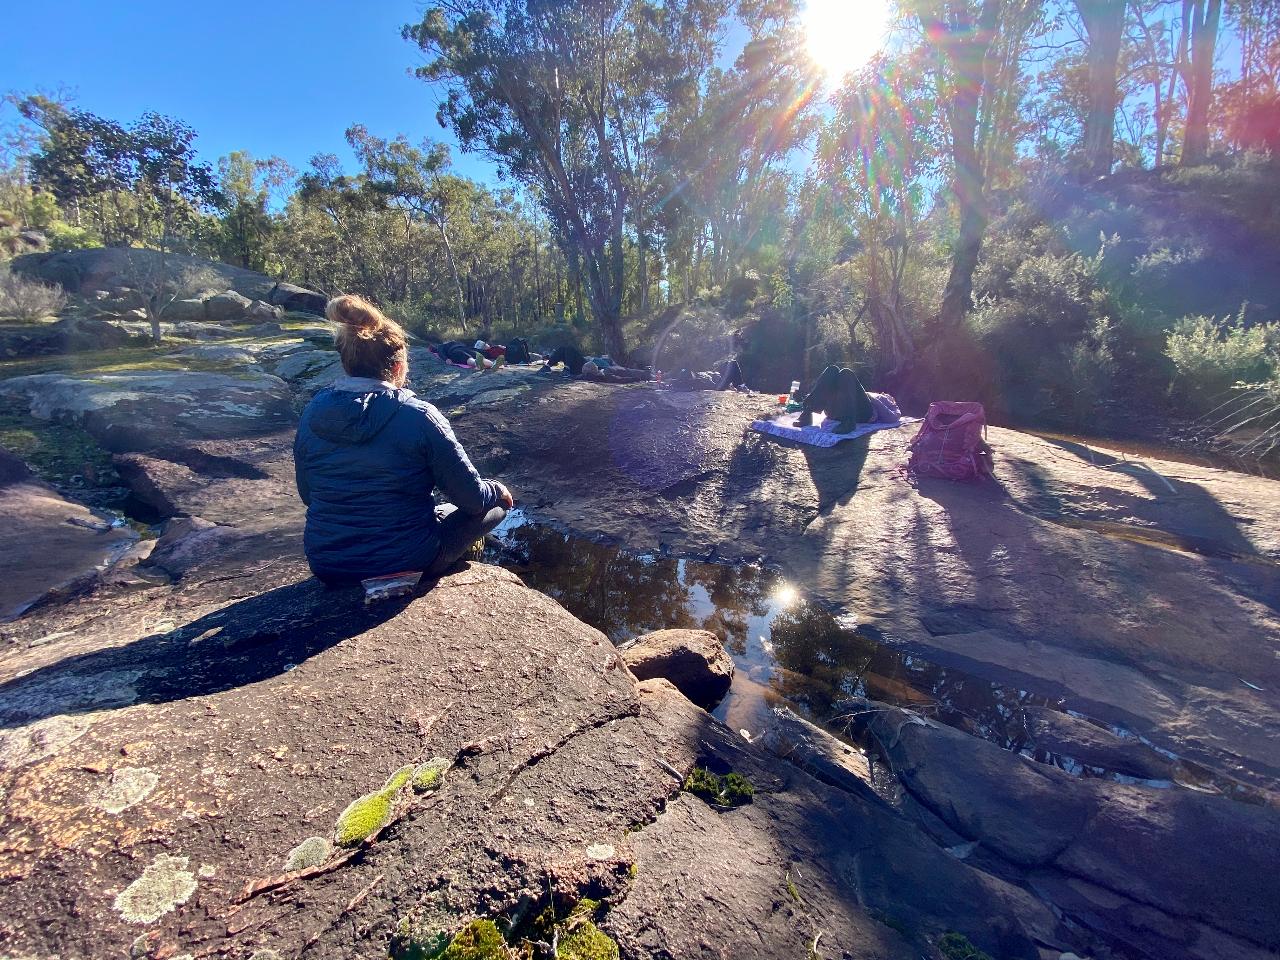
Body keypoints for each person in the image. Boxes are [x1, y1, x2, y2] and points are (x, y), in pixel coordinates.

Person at [294, 295, 513, 585]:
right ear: (398, 368)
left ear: (346, 364)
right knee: (496, 505)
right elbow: (473, 500)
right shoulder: (419, 416)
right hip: (409, 558)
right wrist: (497, 489)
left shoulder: (313, 413)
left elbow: (309, 495)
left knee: (443, 510)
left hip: (328, 563)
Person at [796, 365, 874, 432]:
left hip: (861, 413)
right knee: (832, 370)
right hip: (836, 412)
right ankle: (808, 411)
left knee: (846, 372)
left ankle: (849, 421)